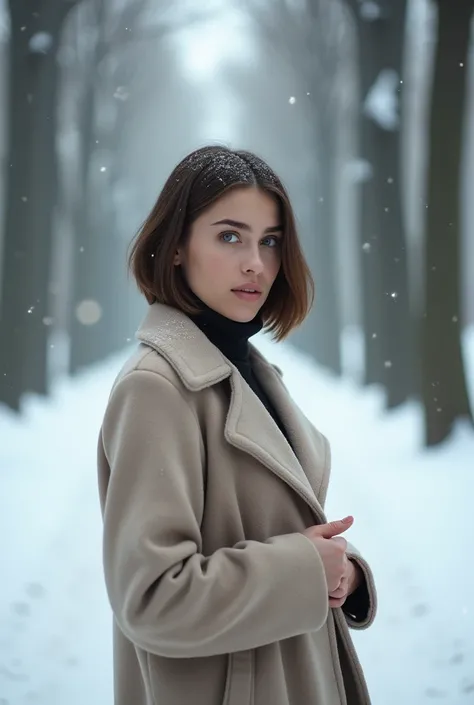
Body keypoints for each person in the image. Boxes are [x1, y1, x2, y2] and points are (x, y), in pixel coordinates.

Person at [97, 145, 377, 705]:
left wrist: (342, 573)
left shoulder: (249, 371)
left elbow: (274, 531)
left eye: (269, 240)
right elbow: (151, 599)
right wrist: (302, 570)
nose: (257, 263)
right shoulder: (158, 388)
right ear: (176, 247)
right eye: (230, 236)